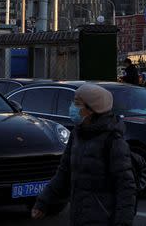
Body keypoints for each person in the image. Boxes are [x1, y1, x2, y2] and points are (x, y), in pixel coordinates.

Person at [32, 83, 136, 226]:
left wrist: (123, 223)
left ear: (91, 110)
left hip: (104, 219)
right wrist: (43, 202)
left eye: (77, 104)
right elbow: (64, 173)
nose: (72, 108)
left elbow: (125, 187)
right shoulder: (77, 134)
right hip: (78, 217)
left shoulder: (112, 140)